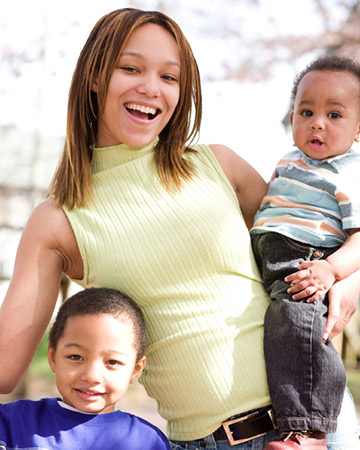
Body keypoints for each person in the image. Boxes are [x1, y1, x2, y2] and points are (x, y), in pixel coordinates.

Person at [0, 8, 359, 450]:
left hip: (316, 424)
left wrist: (352, 282)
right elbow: (4, 367)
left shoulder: (219, 166)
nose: (150, 89)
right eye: (130, 68)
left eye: (169, 77)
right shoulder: (58, 219)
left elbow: (326, 241)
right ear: (94, 76)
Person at [250, 55, 360, 449]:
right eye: (307, 111)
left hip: (308, 261)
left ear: (359, 127)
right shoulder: (289, 161)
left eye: (335, 114)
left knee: (301, 330)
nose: (317, 122)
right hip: (270, 254)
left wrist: (330, 270)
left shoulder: (350, 171)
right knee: (282, 328)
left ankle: (310, 431)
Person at [0, 287, 171, 449]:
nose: (92, 376)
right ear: (53, 358)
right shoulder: (12, 422)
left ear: (136, 369)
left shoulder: (147, 442)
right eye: (75, 357)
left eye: (112, 362)